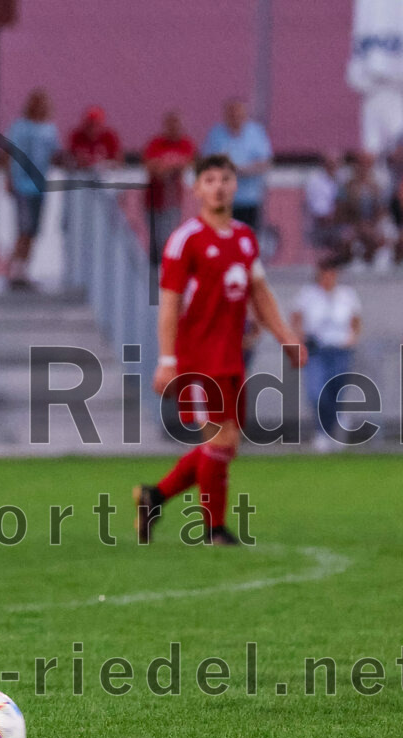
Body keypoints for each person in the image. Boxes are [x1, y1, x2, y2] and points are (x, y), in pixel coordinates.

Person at [134, 154, 306, 546]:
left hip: (230, 357)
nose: (218, 186)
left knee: (227, 444)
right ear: (196, 189)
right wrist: (167, 361)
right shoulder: (186, 240)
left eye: (225, 178)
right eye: (209, 179)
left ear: (235, 185)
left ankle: (154, 497)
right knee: (218, 441)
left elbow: (259, 293)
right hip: (197, 359)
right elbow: (170, 304)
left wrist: (286, 336)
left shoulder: (245, 237)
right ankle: (214, 531)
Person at [291, 260, 362, 451]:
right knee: (316, 392)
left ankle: (331, 427)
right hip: (316, 350)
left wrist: (352, 338)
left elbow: (355, 320)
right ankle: (324, 430)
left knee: (335, 391)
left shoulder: (346, 295)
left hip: (339, 349)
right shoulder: (308, 295)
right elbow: (296, 318)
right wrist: (299, 338)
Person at [5, 89, 63, 288]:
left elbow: (56, 154)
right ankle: (13, 270)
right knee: (23, 229)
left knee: (33, 232)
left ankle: (23, 271)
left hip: (40, 186)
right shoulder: (19, 127)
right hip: (22, 185)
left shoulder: (49, 129)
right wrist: (8, 178)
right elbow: (8, 153)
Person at [202, 98, 272, 230]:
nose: (235, 117)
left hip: (250, 198)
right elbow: (206, 162)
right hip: (222, 199)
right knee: (223, 237)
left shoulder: (256, 133)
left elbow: (265, 162)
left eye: (238, 113)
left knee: (246, 237)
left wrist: (242, 170)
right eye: (231, 113)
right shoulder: (216, 134)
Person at [143, 111, 196, 267]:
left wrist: (166, 166)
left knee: (169, 237)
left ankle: (167, 270)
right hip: (154, 198)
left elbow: (187, 163)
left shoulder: (185, 144)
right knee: (155, 238)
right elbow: (152, 168)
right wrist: (169, 167)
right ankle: (153, 272)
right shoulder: (156, 143)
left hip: (172, 200)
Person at [67, 105, 122, 170]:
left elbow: (119, 162)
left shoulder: (109, 137)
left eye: (96, 124)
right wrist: (78, 161)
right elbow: (68, 160)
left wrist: (105, 164)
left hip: (105, 176)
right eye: (90, 124)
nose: (93, 128)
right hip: (82, 174)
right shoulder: (76, 136)